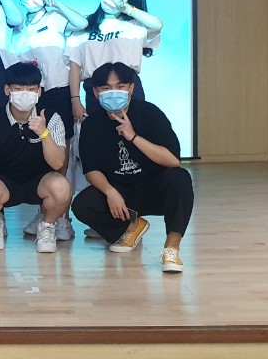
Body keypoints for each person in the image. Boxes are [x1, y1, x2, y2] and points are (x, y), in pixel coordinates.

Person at [71, 61, 192, 273]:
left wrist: (133, 137)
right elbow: (91, 170)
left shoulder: (150, 113)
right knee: (82, 204)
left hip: (154, 188)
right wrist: (110, 192)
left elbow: (173, 161)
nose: (113, 93)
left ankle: (171, 248)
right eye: (106, 88)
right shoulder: (91, 124)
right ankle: (133, 226)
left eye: (120, 86)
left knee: (180, 178)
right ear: (96, 93)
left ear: (131, 88)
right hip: (120, 194)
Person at [10, 0, 87, 241]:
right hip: (30, 96)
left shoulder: (56, 19)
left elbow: (82, 23)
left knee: (62, 158)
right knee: (38, 157)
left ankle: (62, 218)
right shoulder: (18, 26)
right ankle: (46, 212)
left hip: (58, 93)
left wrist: (57, 5)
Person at [0, 62, 71, 253]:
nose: (25, 94)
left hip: (40, 182)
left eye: (31, 89)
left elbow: (58, 163)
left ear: (39, 92)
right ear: (7, 90)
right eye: (18, 89)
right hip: (4, 182)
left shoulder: (51, 119)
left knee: (61, 186)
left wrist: (43, 133)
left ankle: (47, 226)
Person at [67, 0, 163, 122]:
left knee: (134, 131)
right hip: (96, 89)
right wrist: (75, 100)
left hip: (127, 87)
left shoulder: (135, 25)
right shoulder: (84, 25)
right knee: (99, 134)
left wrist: (127, 9)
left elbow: (157, 25)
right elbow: (75, 65)